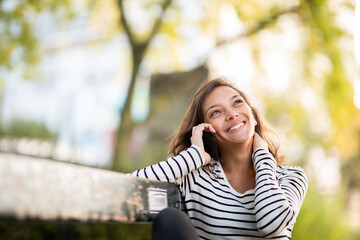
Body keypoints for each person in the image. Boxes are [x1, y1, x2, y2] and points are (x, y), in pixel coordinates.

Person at [129, 77, 308, 239]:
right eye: (216, 112)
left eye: (237, 103)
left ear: (253, 116)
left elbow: (272, 224)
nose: (232, 114)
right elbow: (128, 190)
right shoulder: (194, 176)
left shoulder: (291, 177)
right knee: (169, 220)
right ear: (206, 130)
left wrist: (262, 156)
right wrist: (194, 156)